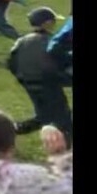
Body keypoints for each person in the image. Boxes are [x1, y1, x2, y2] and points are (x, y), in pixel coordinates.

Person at [9, 8, 72, 139]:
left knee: (45, 114)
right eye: (53, 21)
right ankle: (64, 148)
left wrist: (22, 77)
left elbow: (11, 62)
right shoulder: (51, 41)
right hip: (49, 83)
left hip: (28, 83)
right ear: (47, 23)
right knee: (62, 117)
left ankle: (12, 129)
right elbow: (62, 60)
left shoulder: (21, 41)